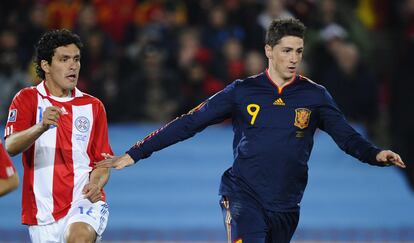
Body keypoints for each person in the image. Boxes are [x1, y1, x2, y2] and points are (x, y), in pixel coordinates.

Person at [96, 19, 405, 243]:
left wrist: (375, 154)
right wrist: (135, 154)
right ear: (269, 50)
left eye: (298, 51)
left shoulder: (315, 96)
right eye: (286, 50)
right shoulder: (242, 92)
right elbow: (189, 122)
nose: (294, 58)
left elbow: (347, 137)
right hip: (243, 195)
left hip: (287, 204)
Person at [4, 29, 113, 243]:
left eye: (76, 59)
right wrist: (40, 127)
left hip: (83, 203)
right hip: (42, 214)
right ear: (46, 66)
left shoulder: (93, 106)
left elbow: (102, 162)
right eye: (64, 59)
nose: (73, 66)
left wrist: (96, 184)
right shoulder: (27, 99)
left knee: (78, 239)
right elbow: (10, 145)